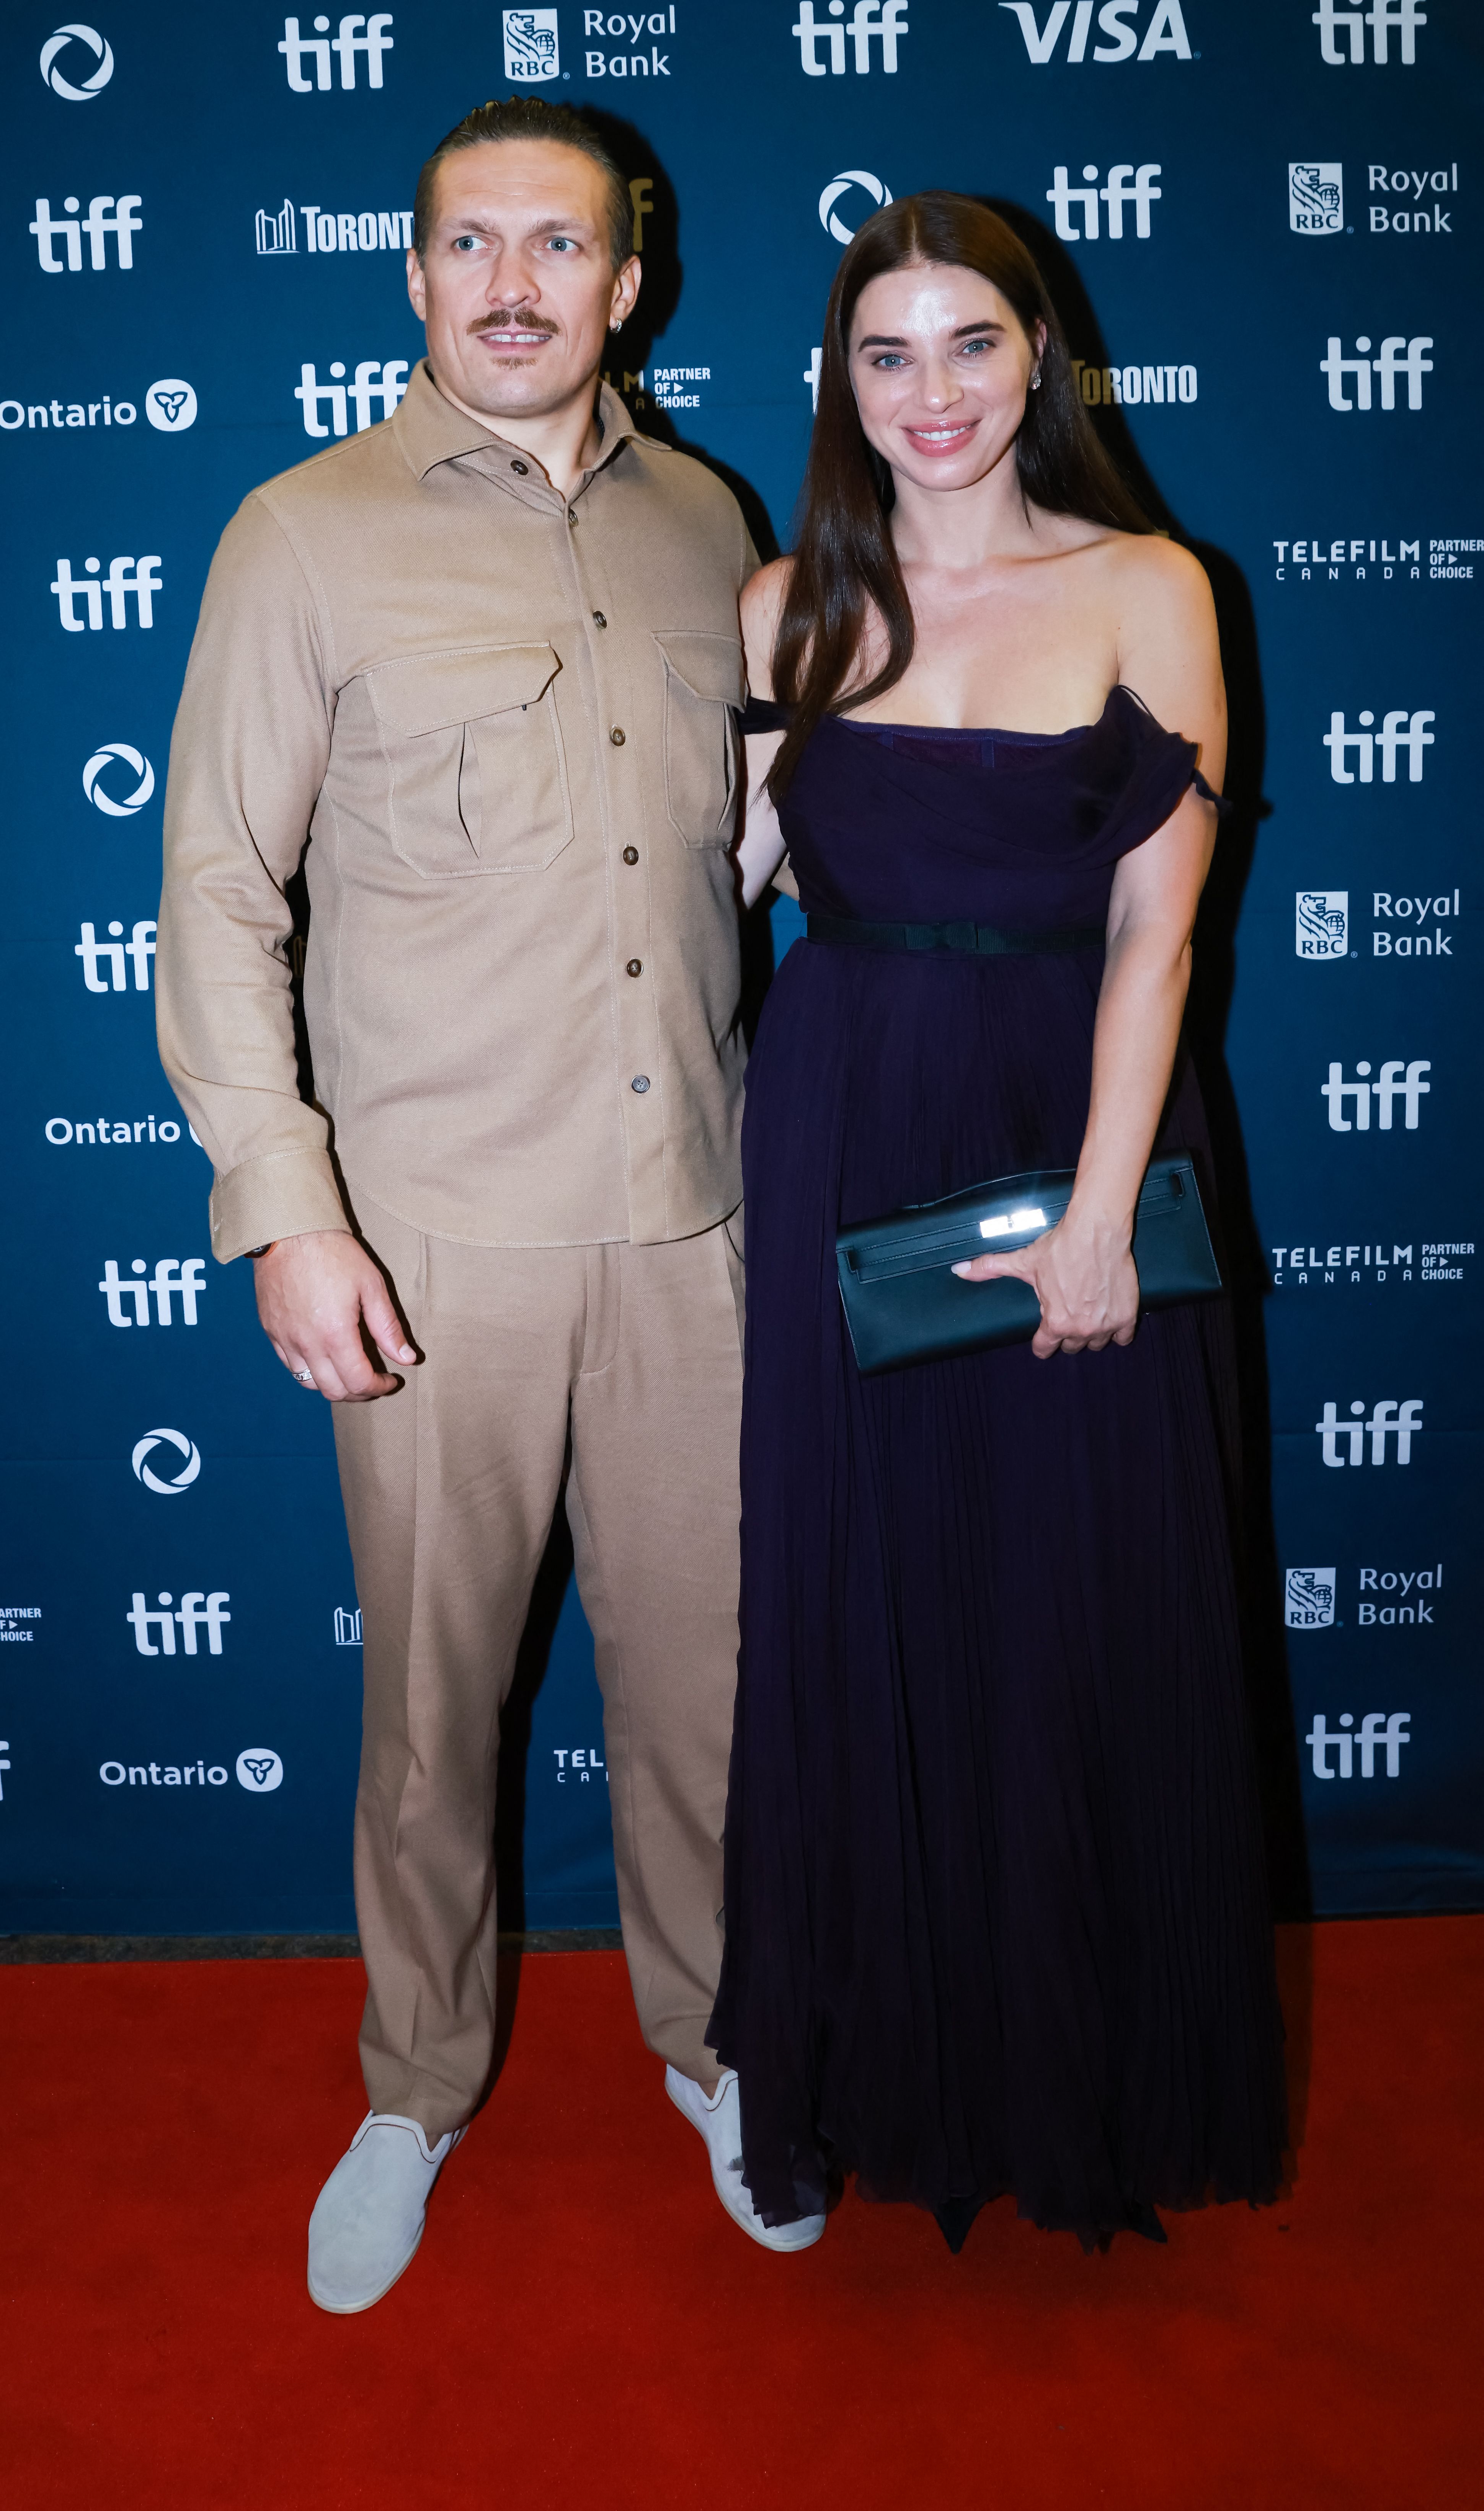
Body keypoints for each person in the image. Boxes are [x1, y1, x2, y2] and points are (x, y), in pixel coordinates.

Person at [156, 96, 813, 2314]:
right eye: (470, 243)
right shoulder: (304, 534)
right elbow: (218, 893)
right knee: (436, 1718)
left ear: (630, 279)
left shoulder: (707, 523)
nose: (512, 283)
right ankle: (416, 2086)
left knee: (713, 1700)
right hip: (433, 1236)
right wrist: (289, 1209)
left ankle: (717, 2048)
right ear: (415, 271)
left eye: (558, 244)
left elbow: (721, 862)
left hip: (694, 1221)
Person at [711, 193, 1288, 2245]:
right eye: (888, 353)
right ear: (841, 382)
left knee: (1073, 1601)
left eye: (971, 344)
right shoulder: (781, 604)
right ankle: (873, 2063)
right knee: (861, 1601)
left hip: (1072, 1123)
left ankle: (1082, 2079)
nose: (931, 392)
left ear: (1040, 357)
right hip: (844, 1128)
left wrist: (1103, 1218)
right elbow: (739, 876)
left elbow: (1158, 934)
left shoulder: (1148, 585)